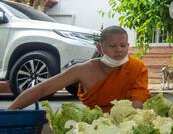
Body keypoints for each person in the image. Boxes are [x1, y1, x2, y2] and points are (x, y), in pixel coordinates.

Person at [8, 26, 150, 112]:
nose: (119, 50)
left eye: (123, 46)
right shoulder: (83, 70)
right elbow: (43, 89)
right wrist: (11, 110)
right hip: (93, 124)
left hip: (128, 120)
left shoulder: (136, 67)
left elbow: (138, 99)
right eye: (113, 46)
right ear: (99, 47)